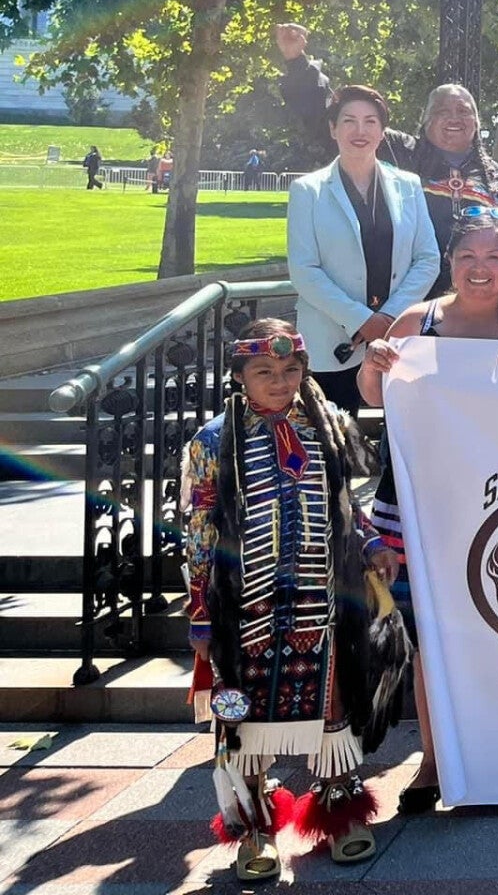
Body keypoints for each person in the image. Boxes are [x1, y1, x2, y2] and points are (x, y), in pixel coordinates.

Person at [182, 321, 409, 880]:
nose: (279, 382)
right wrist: (200, 612)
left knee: (333, 706)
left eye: (290, 370)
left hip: (320, 598)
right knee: (242, 720)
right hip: (245, 607)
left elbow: (343, 503)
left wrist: (372, 543)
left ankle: (339, 812)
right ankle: (254, 827)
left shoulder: (325, 427)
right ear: (239, 376)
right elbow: (199, 531)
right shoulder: (213, 441)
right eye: (264, 371)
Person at [356, 215, 498, 815]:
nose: (480, 268)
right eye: (468, 255)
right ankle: (434, 760)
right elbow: (372, 395)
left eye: (494, 257)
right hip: (416, 501)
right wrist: (375, 361)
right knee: (429, 640)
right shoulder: (416, 323)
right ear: (450, 261)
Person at [275, 24, 498, 293]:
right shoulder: (400, 152)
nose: (453, 118)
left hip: (482, 296)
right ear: (425, 120)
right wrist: (297, 63)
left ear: (477, 122)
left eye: (463, 111)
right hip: (411, 298)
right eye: (442, 111)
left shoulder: (496, 176)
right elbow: (337, 114)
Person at [286, 85, 440, 415]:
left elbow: (428, 258)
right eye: (349, 121)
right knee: (332, 436)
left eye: (370, 121)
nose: (360, 131)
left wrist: (389, 318)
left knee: (403, 433)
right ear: (333, 128)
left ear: (383, 132)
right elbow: (303, 270)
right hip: (331, 343)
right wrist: (360, 320)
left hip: (397, 339)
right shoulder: (306, 191)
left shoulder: (409, 185)